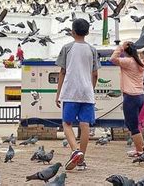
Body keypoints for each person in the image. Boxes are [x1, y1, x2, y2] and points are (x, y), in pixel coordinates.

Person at [55, 18, 100, 171]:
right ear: (87, 32)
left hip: (70, 91)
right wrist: (90, 90)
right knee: (85, 125)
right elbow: (95, 74)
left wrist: (58, 93)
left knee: (67, 124)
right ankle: (81, 160)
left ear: (72, 32)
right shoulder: (92, 50)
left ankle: (75, 150)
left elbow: (62, 71)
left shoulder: (67, 48)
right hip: (87, 92)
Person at [110, 41, 144, 157]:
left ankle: (139, 151)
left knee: (132, 124)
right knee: (132, 123)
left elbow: (113, 59)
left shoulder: (129, 62)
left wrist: (120, 47)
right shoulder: (139, 62)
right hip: (140, 95)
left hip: (131, 96)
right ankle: (140, 146)